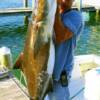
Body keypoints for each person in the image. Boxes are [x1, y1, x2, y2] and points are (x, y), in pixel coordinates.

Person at [46, 0, 84, 100]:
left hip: (59, 77)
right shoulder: (51, 16)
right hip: (44, 74)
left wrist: (55, 7)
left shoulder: (75, 16)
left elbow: (60, 36)